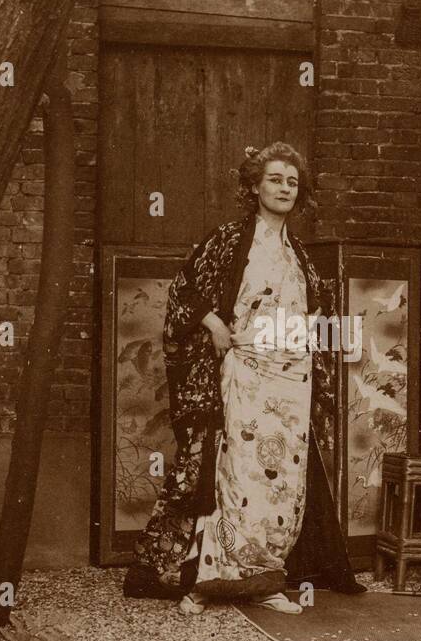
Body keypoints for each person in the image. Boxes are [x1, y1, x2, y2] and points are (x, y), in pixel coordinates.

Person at [125, 142, 366, 613]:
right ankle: (206, 582)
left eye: (292, 182)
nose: (284, 188)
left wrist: (313, 335)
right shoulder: (229, 240)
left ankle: (265, 581)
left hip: (291, 381)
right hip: (244, 375)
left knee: (280, 482)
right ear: (254, 186)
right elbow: (185, 290)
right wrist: (214, 324)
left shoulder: (297, 253)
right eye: (275, 179)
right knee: (233, 474)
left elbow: (317, 310)